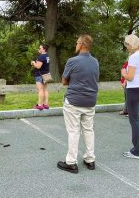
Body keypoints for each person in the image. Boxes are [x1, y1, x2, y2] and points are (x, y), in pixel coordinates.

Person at [57, 35, 99, 174]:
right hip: (90, 101)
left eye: (76, 43)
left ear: (81, 44)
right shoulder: (95, 62)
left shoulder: (72, 61)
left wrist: (74, 82)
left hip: (74, 101)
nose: (75, 45)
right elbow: (93, 79)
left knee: (74, 131)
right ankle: (90, 159)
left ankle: (71, 162)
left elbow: (64, 81)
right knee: (88, 130)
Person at [31, 44, 50, 110]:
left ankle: (39, 105)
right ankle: (45, 104)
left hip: (40, 75)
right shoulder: (47, 56)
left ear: (44, 49)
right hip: (46, 74)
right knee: (45, 89)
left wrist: (33, 63)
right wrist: (35, 64)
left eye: (40, 48)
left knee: (40, 90)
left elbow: (38, 66)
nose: (39, 49)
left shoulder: (41, 57)